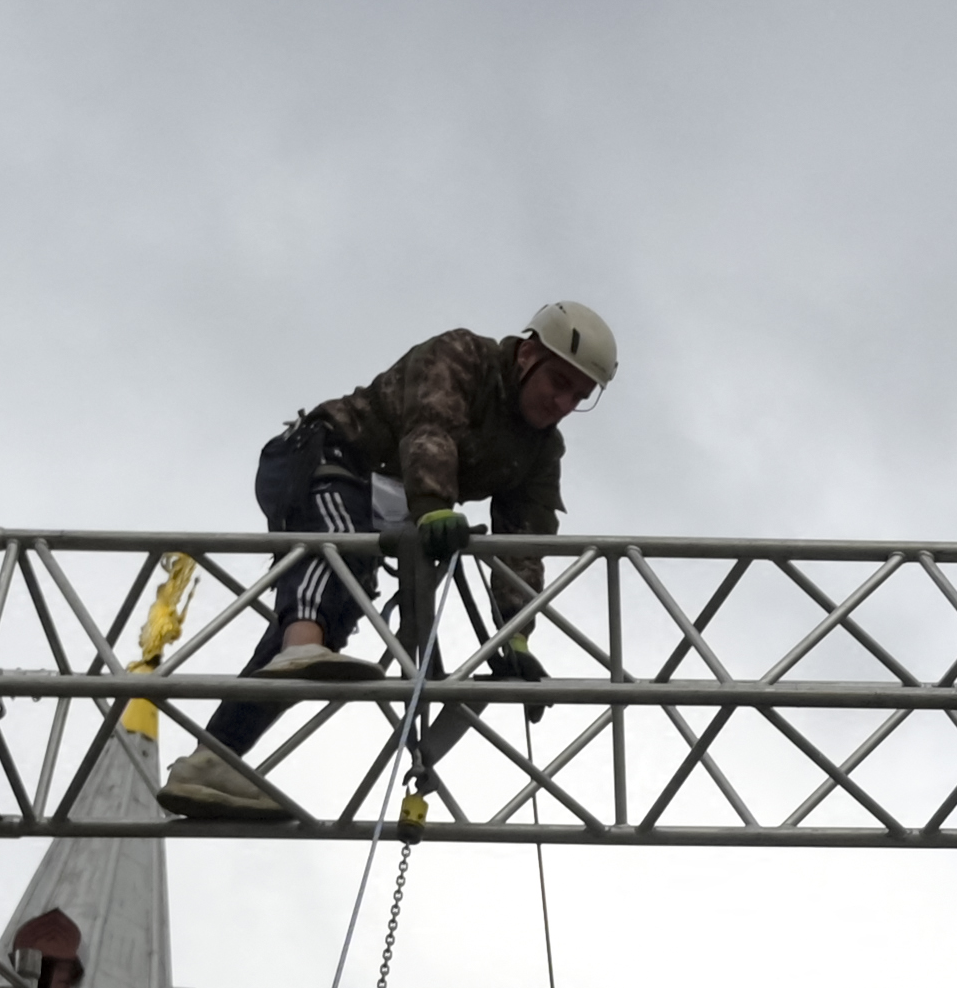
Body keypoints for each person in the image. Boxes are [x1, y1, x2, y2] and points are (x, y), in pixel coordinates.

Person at [163, 300, 619, 822]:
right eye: (558, 383)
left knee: (328, 621)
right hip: (326, 457)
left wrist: (514, 635)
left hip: (381, 505)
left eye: (578, 396)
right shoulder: (463, 356)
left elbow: (526, 540)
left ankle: (210, 761)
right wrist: (433, 508)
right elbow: (430, 428)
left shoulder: (539, 451)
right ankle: (298, 651)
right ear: (528, 356)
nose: (562, 402)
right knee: (335, 559)